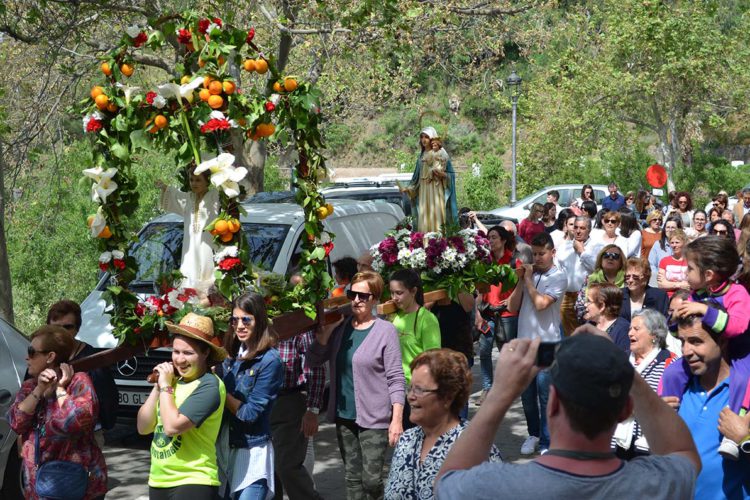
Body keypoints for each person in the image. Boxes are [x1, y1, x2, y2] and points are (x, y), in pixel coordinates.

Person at [435, 334, 700, 498]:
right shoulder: (654, 485)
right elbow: (683, 451)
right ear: (626, 411)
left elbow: (447, 481)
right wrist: (624, 371)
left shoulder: (499, 487)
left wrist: (501, 393)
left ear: (551, 405)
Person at [307, 271, 405, 500]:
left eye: (363, 296)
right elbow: (313, 361)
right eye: (352, 294)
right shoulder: (341, 328)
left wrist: (397, 419)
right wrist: (325, 335)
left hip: (375, 418)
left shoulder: (385, 331)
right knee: (352, 478)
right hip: (344, 415)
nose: (357, 300)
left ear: (375, 299)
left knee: (371, 480)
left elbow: (396, 377)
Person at [659, 236, 750, 460]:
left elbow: (737, 326)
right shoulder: (695, 295)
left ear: (708, 275)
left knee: (743, 382)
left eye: (689, 268)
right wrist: (675, 319)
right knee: (672, 371)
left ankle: (734, 428)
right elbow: (682, 330)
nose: (684, 274)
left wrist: (704, 311)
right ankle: (667, 416)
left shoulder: (737, 293)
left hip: (740, 354)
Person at [385, 349, 501, 499]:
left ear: (447, 397)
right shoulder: (407, 439)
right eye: (411, 388)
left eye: (419, 389)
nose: (410, 396)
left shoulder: (476, 447)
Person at [9, 325, 108, 500]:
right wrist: (39, 390)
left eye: (32, 352)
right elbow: (16, 422)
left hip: (79, 486)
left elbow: (77, 422)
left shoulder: (79, 382)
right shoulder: (30, 386)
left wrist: (60, 389)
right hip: (39, 486)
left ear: (50, 356)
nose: (27, 357)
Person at [137, 313, 227, 500]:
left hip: (194, 479)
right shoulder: (170, 383)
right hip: (159, 479)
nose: (179, 360)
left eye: (188, 353)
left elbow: (172, 427)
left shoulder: (209, 385)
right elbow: (143, 427)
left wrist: (165, 386)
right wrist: (158, 386)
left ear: (205, 353)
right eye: (176, 352)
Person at [666, 313, 750, 498]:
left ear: (722, 342)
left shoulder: (746, 396)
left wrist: (745, 439)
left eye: (696, 341)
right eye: (682, 342)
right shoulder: (679, 392)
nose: (686, 350)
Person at [217, 293, 283, 500]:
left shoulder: (270, 361)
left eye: (246, 319)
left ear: (259, 320)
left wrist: (218, 389)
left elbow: (250, 413)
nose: (240, 325)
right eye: (234, 320)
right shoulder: (231, 355)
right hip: (225, 449)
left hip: (252, 451)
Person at [507, 232, 568, 455]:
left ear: (553, 252)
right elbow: (512, 308)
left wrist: (529, 282)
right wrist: (520, 282)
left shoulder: (559, 276)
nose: (538, 258)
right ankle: (533, 434)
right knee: (527, 395)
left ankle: (547, 442)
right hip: (525, 343)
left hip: (547, 344)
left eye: (542, 253)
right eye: (534, 254)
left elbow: (541, 304)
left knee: (545, 396)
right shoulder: (529, 277)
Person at [46, 300, 118, 447]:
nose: (61, 332)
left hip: (85, 439)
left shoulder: (93, 359)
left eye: (67, 327)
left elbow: (108, 399)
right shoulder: (40, 355)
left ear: (77, 329)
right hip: (47, 436)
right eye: (56, 327)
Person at [270, 323, 325, 500]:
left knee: (287, 466)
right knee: (267, 470)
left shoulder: (296, 325)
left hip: (289, 401)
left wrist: (312, 410)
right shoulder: (251, 321)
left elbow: (314, 368)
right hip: (259, 404)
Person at [612, 309, 677, 459]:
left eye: (636, 329)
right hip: (614, 443)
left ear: (654, 334)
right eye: (630, 329)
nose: (629, 334)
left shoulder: (669, 363)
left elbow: (669, 406)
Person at [157, 165, 221, 294]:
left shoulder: (215, 196)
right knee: (189, 279)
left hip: (209, 246)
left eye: (198, 180)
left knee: (208, 279)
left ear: (207, 181)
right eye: (191, 180)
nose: (194, 183)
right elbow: (175, 195)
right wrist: (164, 187)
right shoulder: (188, 199)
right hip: (190, 248)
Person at [475, 226, 521, 403]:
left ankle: (508, 387)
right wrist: (478, 313)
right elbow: (478, 290)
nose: (490, 241)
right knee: (485, 351)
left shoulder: (513, 261)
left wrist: (510, 302)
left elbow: (519, 286)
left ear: (503, 240)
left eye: (494, 237)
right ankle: (487, 388)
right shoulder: (485, 262)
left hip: (507, 315)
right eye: (489, 237)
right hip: (487, 313)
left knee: (506, 352)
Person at [402, 127, 458, 234]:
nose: (424, 140)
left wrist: (442, 174)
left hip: (436, 191)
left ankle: (438, 243)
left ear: (432, 138)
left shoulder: (440, 153)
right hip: (423, 192)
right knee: (424, 217)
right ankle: (426, 244)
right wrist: (408, 189)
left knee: (436, 217)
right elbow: (416, 179)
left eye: (426, 137)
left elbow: (451, 175)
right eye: (422, 137)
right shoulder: (421, 157)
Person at [556, 216, 604, 336]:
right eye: (576, 227)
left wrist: (582, 252)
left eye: (582, 228)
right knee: (569, 334)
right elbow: (558, 271)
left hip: (588, 297)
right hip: (567, 297)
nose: (578, 231)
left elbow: (597, 268)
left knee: (586, 333)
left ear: (589, 230)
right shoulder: (564, 247)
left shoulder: (597, 247)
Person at [574, 244, 625, 324]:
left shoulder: (628, 280)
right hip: (594, 325)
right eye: (606, 255)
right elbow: (580, 307)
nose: (610, 258)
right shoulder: (590, 279)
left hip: (620, 326)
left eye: (615, 256)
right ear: (600, 260)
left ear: (621, 262)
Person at [581, 283, 630, 352]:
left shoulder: (623, 330)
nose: (585, 304)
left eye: (589, 301)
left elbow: (621, 360)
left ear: (602, 306)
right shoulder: (590, 324)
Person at [647, 215, 682, 287]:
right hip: (660, 282)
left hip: (679, 283)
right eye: (668, 227)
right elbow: (651, 264)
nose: (670, 230)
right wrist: (660, 278)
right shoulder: (658, 245)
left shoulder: (684, 246)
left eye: (673, 228)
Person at [657, 229, 689, 297]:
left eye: (677, 242)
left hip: (685, 297)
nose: (674, 245)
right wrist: (679, 285)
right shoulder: (664, 261)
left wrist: (668, 284)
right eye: (672, 242)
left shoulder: (690, 261)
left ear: (684, 243)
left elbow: (689, 285)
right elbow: (661, 285)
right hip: (667, 296)